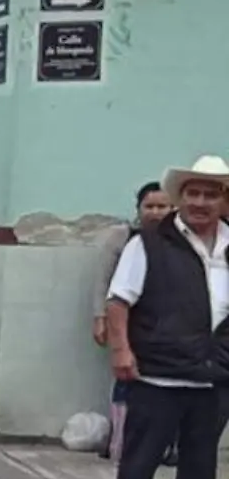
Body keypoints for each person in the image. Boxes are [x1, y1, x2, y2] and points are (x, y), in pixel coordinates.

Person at [101, 155, 229, 479]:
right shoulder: (150, 242)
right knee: (142, 456)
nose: (201, 202)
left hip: (214, 374)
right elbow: (119, 301)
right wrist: (121, 350)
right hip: (158, 372)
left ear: (223, 201)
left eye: (211, 194)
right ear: (180, 198)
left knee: (201, 460)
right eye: (193, 193)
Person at [91, 181, 173, 461]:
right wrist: (99, 317)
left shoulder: (180, 240)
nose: (156, 212)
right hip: (126, 322)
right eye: (149, 206)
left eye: (163, 206)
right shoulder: (125, 237)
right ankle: (120, 442)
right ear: (138, 209)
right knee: (126, 380)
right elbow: (104, 279)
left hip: (166, 328)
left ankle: (163, 447)